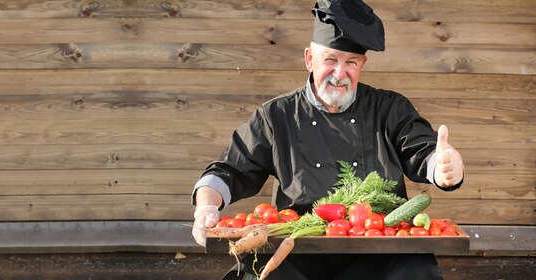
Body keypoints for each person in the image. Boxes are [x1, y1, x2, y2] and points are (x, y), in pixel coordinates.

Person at [191, 0, 465, 279]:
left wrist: (442, 167)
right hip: (297, 249)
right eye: (330, 60)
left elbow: (424, 152)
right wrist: (207, 206)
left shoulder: (390, 109)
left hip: (379, 252)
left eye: (351, 62)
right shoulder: (276, 115)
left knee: (417, 270)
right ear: (309, 58)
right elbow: (230, 170)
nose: (339, 74)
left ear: (363, 64)